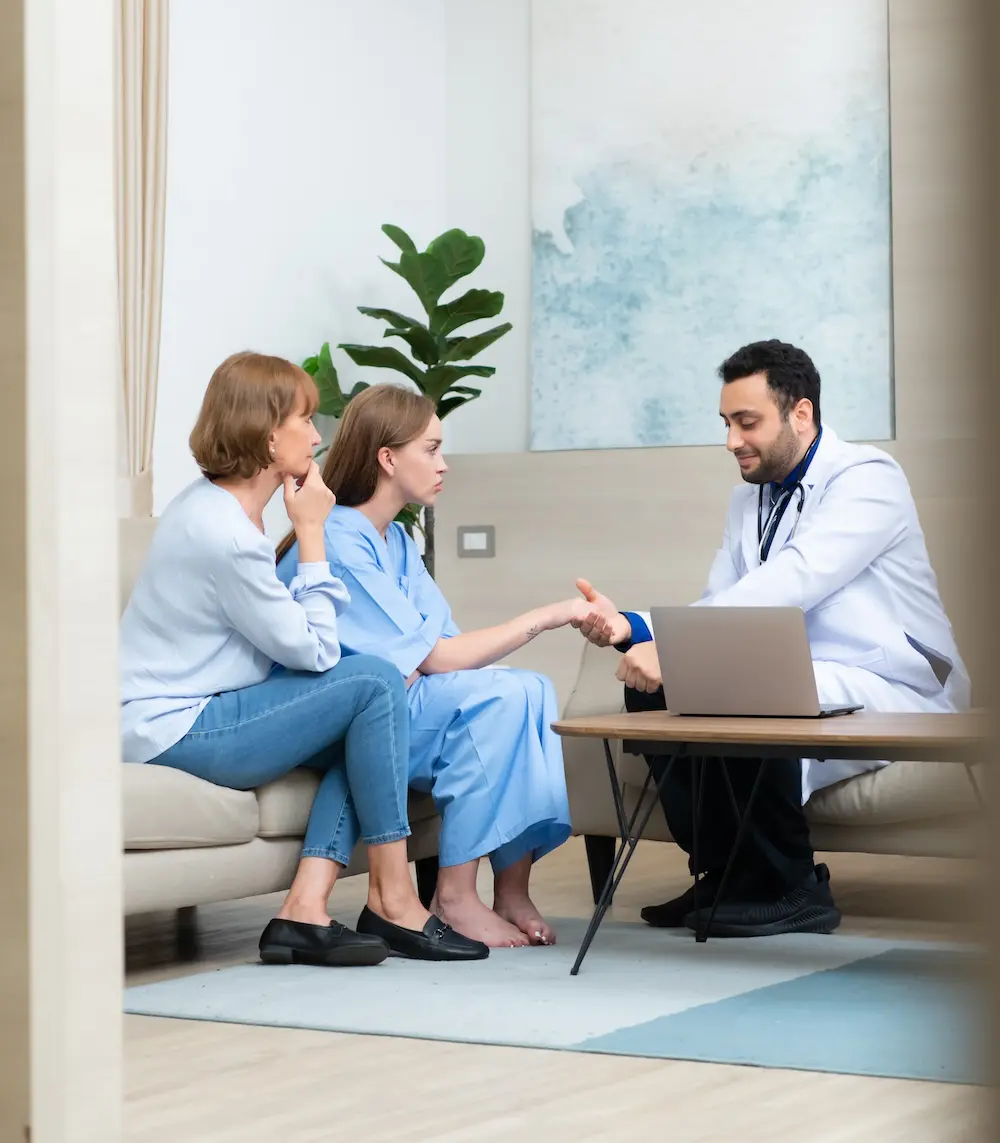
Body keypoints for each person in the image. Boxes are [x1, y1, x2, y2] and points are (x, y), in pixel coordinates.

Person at [575, 339, 970, 938]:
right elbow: (718, 603)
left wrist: (676, 650)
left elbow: (796, 579)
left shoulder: (868, 479)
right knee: (652, 694)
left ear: (801, 414)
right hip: (805, 672)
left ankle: (793, 889)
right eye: (727, 423)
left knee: (746, 686)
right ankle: (725, 873)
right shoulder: (748, 501)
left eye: (747, 422)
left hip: (896, 684)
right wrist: (634, 628)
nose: (732, 440)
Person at [120, 352, 486, 966]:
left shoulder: (211, 505)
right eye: (306, 420)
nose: (318, 437)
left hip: (192, 713)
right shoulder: (228, 537)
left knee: (370, 715)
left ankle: (304, 910)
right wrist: (312, 532)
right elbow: (317, 652)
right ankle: (394, 897)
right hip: (175, 727)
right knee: (372, 681)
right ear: (269, 434)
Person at [277, 384, 583, 948]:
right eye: (432, 450)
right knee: (501, 698)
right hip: (341, 721)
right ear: (388, 458)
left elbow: (440, 649)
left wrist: (424, 663)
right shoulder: (340, 541)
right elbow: (439, 657)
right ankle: (454, 896)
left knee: (533, 687)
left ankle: (512, 890)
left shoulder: (394, 540)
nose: (444, 466)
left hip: (399, 700)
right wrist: (551, 615)